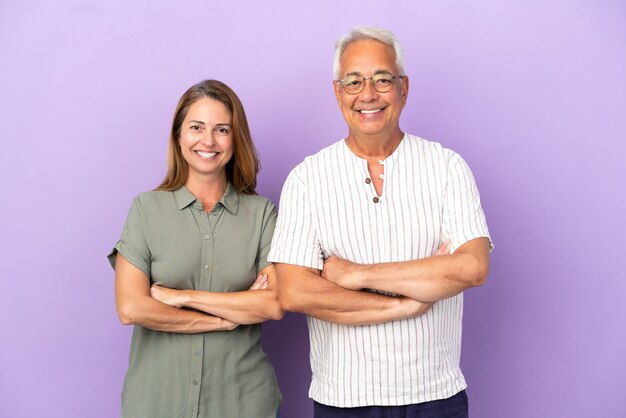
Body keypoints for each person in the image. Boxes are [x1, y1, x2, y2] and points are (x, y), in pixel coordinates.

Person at [268, 27, 492, 418]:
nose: (367, 94)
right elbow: (295, 293)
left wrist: (355, 274)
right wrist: (405, 304)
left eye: (382, 80)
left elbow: (471, 268)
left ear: (403, 88)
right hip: (343, 400)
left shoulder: (447, 167)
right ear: (338, 93)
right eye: (353, 81)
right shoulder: (306, 179)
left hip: (436, 397)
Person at [108, 79, 283, 418]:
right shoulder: (146, 210)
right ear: (178, 135)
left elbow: (273, 303)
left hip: (243, 402)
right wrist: (224, 318)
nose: (208, 140)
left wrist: (183, 297)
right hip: (157, 403)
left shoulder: (262, 214)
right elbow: (132, 307)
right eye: (196, 127)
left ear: (236, 139)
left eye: (222, 129)